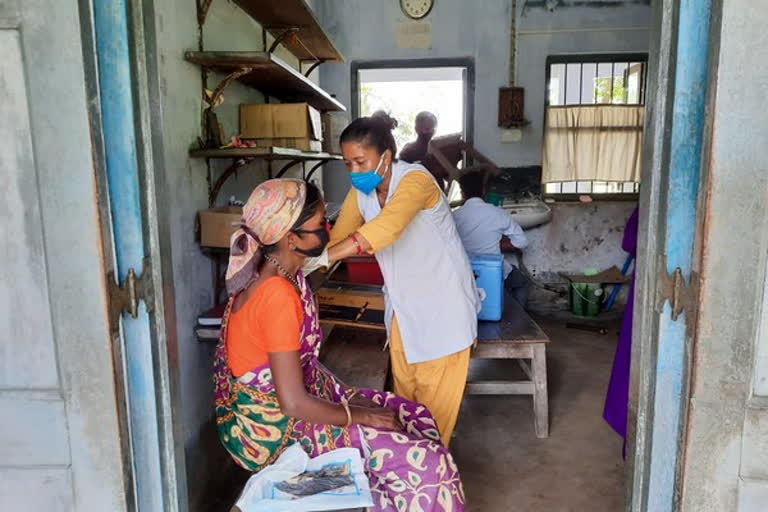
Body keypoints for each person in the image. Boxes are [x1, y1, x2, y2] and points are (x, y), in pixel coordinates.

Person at [214, 179, 466, 511]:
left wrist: (355, 405)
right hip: (273, 431)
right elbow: (292, 403)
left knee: (411, 415)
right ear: (291, 239)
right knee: (430, 466)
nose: (328, 229)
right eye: (321, 224)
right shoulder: (275, 294)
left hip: (285, 403)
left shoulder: (275, 273)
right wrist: (359, 415)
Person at [327, 114, 480, 448]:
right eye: (347, 164)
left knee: (433, 424)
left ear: (385, 156)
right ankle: (409, 481)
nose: (354, 172)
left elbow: (386, 229)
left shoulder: (417, 181)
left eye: (360, 162)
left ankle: (431, 488)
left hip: (444, 313)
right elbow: (338, 236)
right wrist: (304, 262)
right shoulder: (361, 192)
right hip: (404, 314)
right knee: (406, 411)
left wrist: (327, 256)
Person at [452, 170, 530, 307]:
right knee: (521, 283)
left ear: (462, 193)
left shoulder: (454, 216)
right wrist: (497, 244)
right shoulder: (497, 213)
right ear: (483, 191)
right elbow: (522, 242)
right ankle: (516, 319)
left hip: (463, 270)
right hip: (492, 270)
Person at [603, 206, 639, 457]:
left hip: (647, 284)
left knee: (634, 361)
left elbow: (629, 242)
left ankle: (634, 446)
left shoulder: (648, 205)